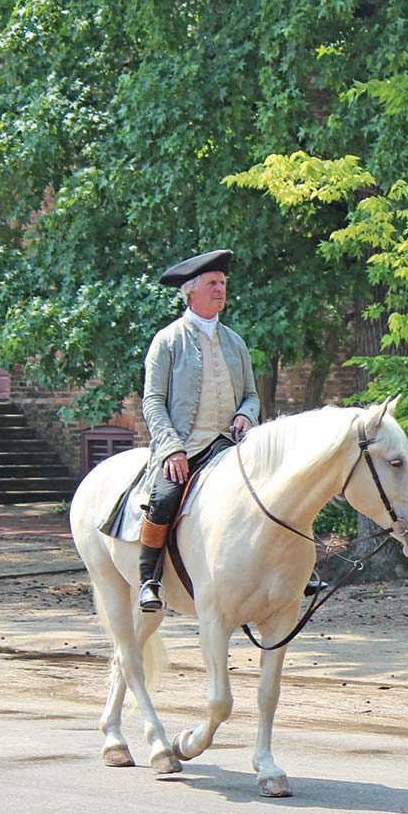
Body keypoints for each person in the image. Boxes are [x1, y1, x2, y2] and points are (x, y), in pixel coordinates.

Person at [135, 249, 259, 612]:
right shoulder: (168, 340)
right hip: (184, 447)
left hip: (231, 445)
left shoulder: (235, 341)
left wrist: (246, 416)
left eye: (222, 283)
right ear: (191, 291)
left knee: (280, 485)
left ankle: (289, 573)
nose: (220, 290)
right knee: (163, 500)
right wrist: (171, 447)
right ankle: (149, 581)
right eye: (212, 284)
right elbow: (153, 401)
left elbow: (251, 394)